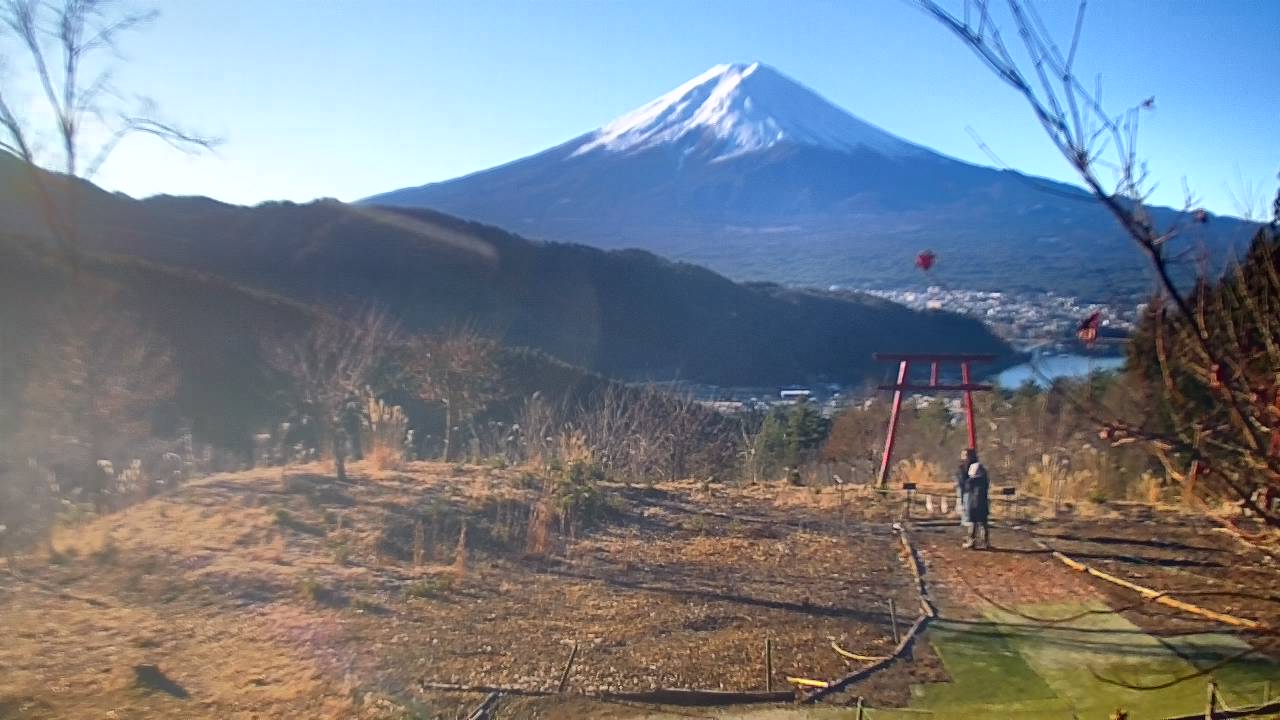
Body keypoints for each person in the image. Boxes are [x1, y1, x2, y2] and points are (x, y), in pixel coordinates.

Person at [963, 454, 991, 549]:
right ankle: (985, 542)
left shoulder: (970, 482)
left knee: (973, 524)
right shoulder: (984, 481)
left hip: (973, 505)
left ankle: (972, 541)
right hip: (983, 504)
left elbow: (967, 491)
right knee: (983, 524)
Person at [955, 448, 975, 528]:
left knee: (969, 504)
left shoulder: (973, 466)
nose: (964, 457)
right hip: (962, 487)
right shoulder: (961, 467)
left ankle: (968, 519)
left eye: (966, 455)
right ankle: (964, 519)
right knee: (962, 502)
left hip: (970, 489)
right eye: (963, 455)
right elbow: (959, 476)